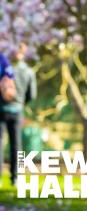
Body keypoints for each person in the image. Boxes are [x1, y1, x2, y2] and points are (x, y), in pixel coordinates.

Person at [0, 44, 37, 186]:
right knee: (16, 144)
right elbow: (32, 95)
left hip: (1, 108)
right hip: (17, 111)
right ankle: (15, 177)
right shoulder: (28, 71)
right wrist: (21, 103)